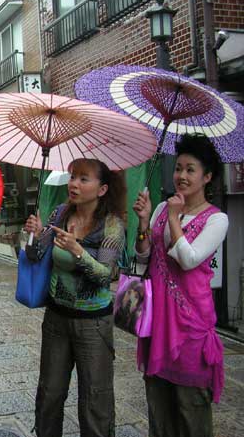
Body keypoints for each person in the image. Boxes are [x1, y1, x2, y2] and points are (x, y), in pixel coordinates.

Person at [133, 134, 228, 437]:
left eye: (190, 170)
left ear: (207, 177)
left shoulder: (216, 219)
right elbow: (144, 255)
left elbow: (189, 260)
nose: (181, 176)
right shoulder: (162, 207)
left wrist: (175, 218)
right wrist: (144, 223)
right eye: (178, 168)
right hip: (157, 320)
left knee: (191, 415)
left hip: (190, 328)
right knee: (159, 413)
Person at [24, 158, 126, 437]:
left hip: (93, 325)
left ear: (102, 189)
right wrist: (34, 236)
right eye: (72, 177)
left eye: (83, 178)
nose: (74, 184)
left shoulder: (112, 224)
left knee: (95, 399)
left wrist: (78, 251)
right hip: (56, 319)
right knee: (49, 393)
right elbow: (35, 256)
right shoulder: (60, 214)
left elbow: (105, 275)